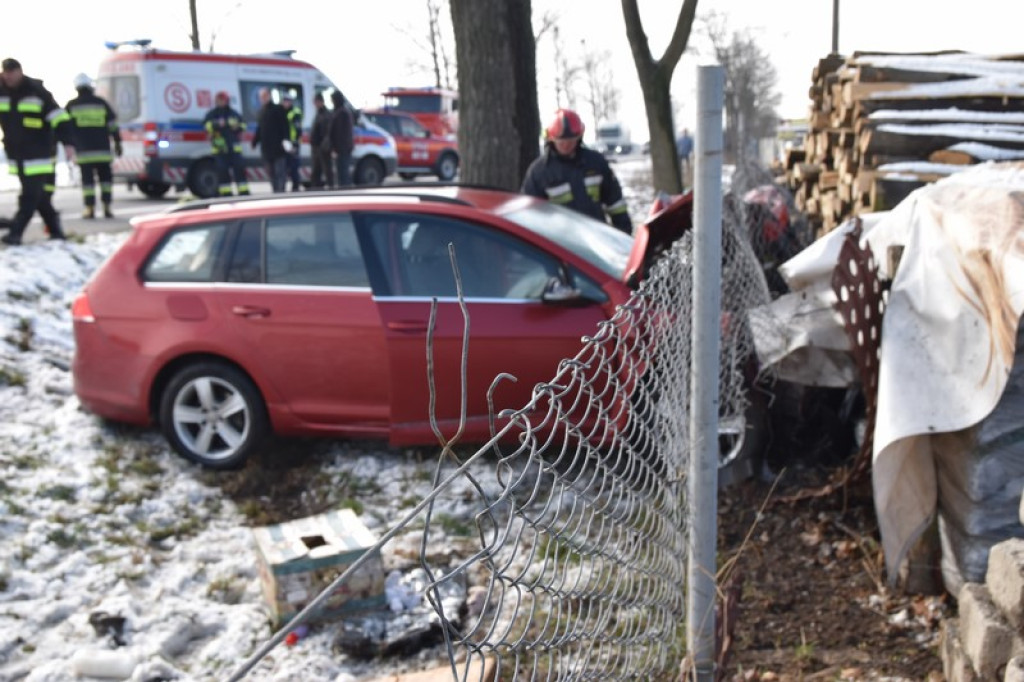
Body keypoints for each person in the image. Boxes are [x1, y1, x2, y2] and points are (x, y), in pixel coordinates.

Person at [0, 58, 74, 246]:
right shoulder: (2, 91)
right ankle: (56, 232)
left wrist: (68, 143)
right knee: (39, 196)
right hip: (16, 154)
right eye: (5, 74)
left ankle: (15, 233)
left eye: (11, 73)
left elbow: (60, 118)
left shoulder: (36, 91)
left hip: (38, 154)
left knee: (30, 195)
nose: (8, 78)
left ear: (19, 72)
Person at [521, 108, 632, 234]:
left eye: (571, 141)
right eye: (561, 141)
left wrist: (624, 233)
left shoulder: (595, 162)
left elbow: (615, 203)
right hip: (560, 240)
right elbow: (530, 214)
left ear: (579, 137)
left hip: (597, 236)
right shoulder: (539, 172)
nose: (566, 145)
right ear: (551, 139)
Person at [65, 73, 121, 218]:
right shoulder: (101, 103)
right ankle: (107, 207)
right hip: (103, 151)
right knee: (106, 181)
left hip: (84, 152)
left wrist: (68, 145)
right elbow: (113, 125)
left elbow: (65, 128)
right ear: (91, 86)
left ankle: (89, 209)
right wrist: (118, 143)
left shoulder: (72, 106)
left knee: (88, 183)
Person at [203, 90, 250, 197]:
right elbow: (206, 126)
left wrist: (236, 126)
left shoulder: (233, 113)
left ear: (227, 100)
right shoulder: (212, 114)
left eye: (222, 100)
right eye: (219, 100)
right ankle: (226, 193)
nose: (220, 102)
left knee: (239, 170)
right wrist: (217, 124)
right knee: (222, 172)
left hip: (234, 149)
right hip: (219, 149)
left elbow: (243, 125)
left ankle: (244, 192)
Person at [251, 88, 289, 192]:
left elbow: (285, 127)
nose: (262, 99)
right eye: (261, 97)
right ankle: (275, 191)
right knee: (271, 173)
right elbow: (260, 129)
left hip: (278, 148)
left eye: (264, 96)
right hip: (266, 149)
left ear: (269, 96)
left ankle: (281, 192)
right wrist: (254, 142)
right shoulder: (261, 112)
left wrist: (286, 141)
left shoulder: (278, 109)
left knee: (280, 172)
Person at [328, 91, 354, 188]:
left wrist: (335, 148)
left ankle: (344, 192)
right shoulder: (341, 112)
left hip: (342, 149)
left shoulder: (341, 113)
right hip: (342, 148)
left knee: (343, 174)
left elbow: (339, 133)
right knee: (341, 173)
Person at [309, 93, 333, 189]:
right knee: (316, 171)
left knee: (326, 170)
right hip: (316, 147)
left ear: (320, 102)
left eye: (315, 102)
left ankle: (330, 188)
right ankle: (316, 188)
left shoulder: (326, 115)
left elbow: (327, 132)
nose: (314, 104)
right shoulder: (319, 113)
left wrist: (324, 145)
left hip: (322, 148)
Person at [281, 94, 302, 191]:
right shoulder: (282, 111)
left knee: (294, 167)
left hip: (293, 143)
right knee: (285, 167)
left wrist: (295, 145)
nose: (285, 103)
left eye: (287, 101)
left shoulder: (295, 113)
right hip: (285, 143)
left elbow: (298, 130)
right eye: (284, 101)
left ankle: (295, 188)